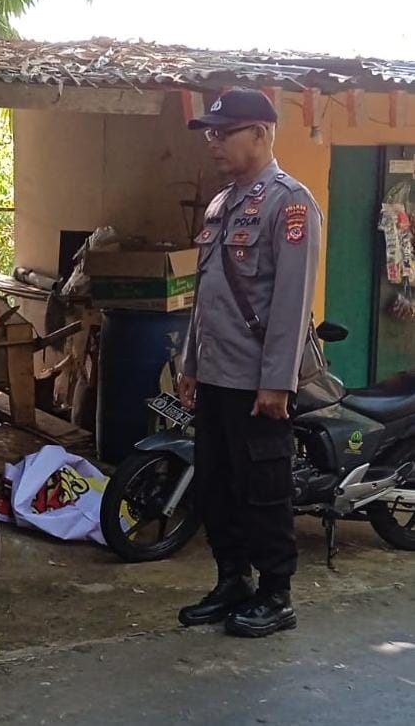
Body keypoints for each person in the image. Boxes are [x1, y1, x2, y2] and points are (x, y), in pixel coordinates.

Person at [178, 88, 321, 638]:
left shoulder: (290, 204)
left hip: (258, 383)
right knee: (216, 487)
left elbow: (292, 300)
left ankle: (276, 594)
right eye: (210, 133)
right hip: (215, 377)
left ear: (260, 134)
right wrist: (190, 364)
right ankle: (232, 580)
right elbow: (206, 295)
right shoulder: (220, 205)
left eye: (223, 132)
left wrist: (277, 383)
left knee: (263, 489)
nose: (213, 142)